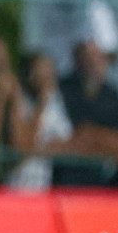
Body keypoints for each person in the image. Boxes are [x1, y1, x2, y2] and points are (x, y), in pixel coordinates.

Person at [8, 51, 74, 192]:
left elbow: (67, 141)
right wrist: (40, 106)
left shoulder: (54, 101)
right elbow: (24, 147)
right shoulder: (19, 102)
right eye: (40, 71)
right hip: (18, 187)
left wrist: (45, 147)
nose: (46, 78)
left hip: (42, 187)